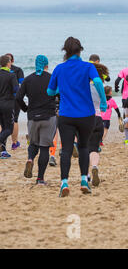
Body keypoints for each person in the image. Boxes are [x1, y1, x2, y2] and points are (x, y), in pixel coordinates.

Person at [47, 37, 107, 197]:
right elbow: (98, 83)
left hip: (66, 115)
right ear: (80, 51)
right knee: (83, 147)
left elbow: (50, 92)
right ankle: (83, 181)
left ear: (65, 51)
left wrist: (61, 88)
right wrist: (103, 102)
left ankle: (64, 183)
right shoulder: (88, 67)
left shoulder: (59, 69)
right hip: (86, 115)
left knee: (66, 149)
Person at [16, 55, 56, 185]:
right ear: (46, 65)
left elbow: (18, 98)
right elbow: (60, 95)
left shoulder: (28, 79)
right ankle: (40, 179)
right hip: (48, 116)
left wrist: (26, 109)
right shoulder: (51, 78)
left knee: (33, 144)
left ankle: (30, 159)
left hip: (33, 117)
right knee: (44, 148)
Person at [87, 63, 110, 187]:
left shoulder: (84, 86)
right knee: (94, 149)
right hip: (98, 120)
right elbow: (103, 104)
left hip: (85, 119)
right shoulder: (100, 87)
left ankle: (86, 176)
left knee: (84, 148)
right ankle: (94, 166)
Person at [0, 54, 19, 159]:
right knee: (9, 129)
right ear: (8, 63)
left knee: (3, 128)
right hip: (8, 105)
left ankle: (3, 151)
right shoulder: (11, 75)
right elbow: (16, 90)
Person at [5, 54, 24, 151]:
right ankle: (14, 143)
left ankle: (1, 144)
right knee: (15, 120)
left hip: (3, 99)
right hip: (15, 98)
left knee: (2, 121)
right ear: (12, 61)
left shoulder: (1, 72)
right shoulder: (18, 70)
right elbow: (22, 84)